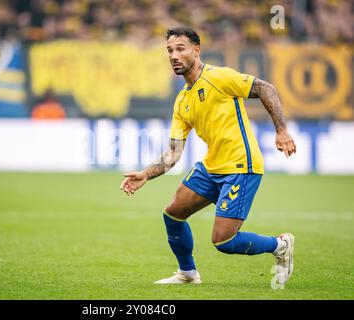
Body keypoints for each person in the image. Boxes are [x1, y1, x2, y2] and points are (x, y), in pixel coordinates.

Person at [120, 27, 296, 285]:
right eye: (169, 50)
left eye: (180, 49)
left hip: (241, 165)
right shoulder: (182, 101)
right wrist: (145, 174)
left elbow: (265, 88)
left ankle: (280, 245)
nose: (173, 55)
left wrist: (281, 130)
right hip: (211, 166)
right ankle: (188, 274)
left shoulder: (219, 77)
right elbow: (173, 152)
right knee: (173, 214)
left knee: (224, 241)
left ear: (196, 50)